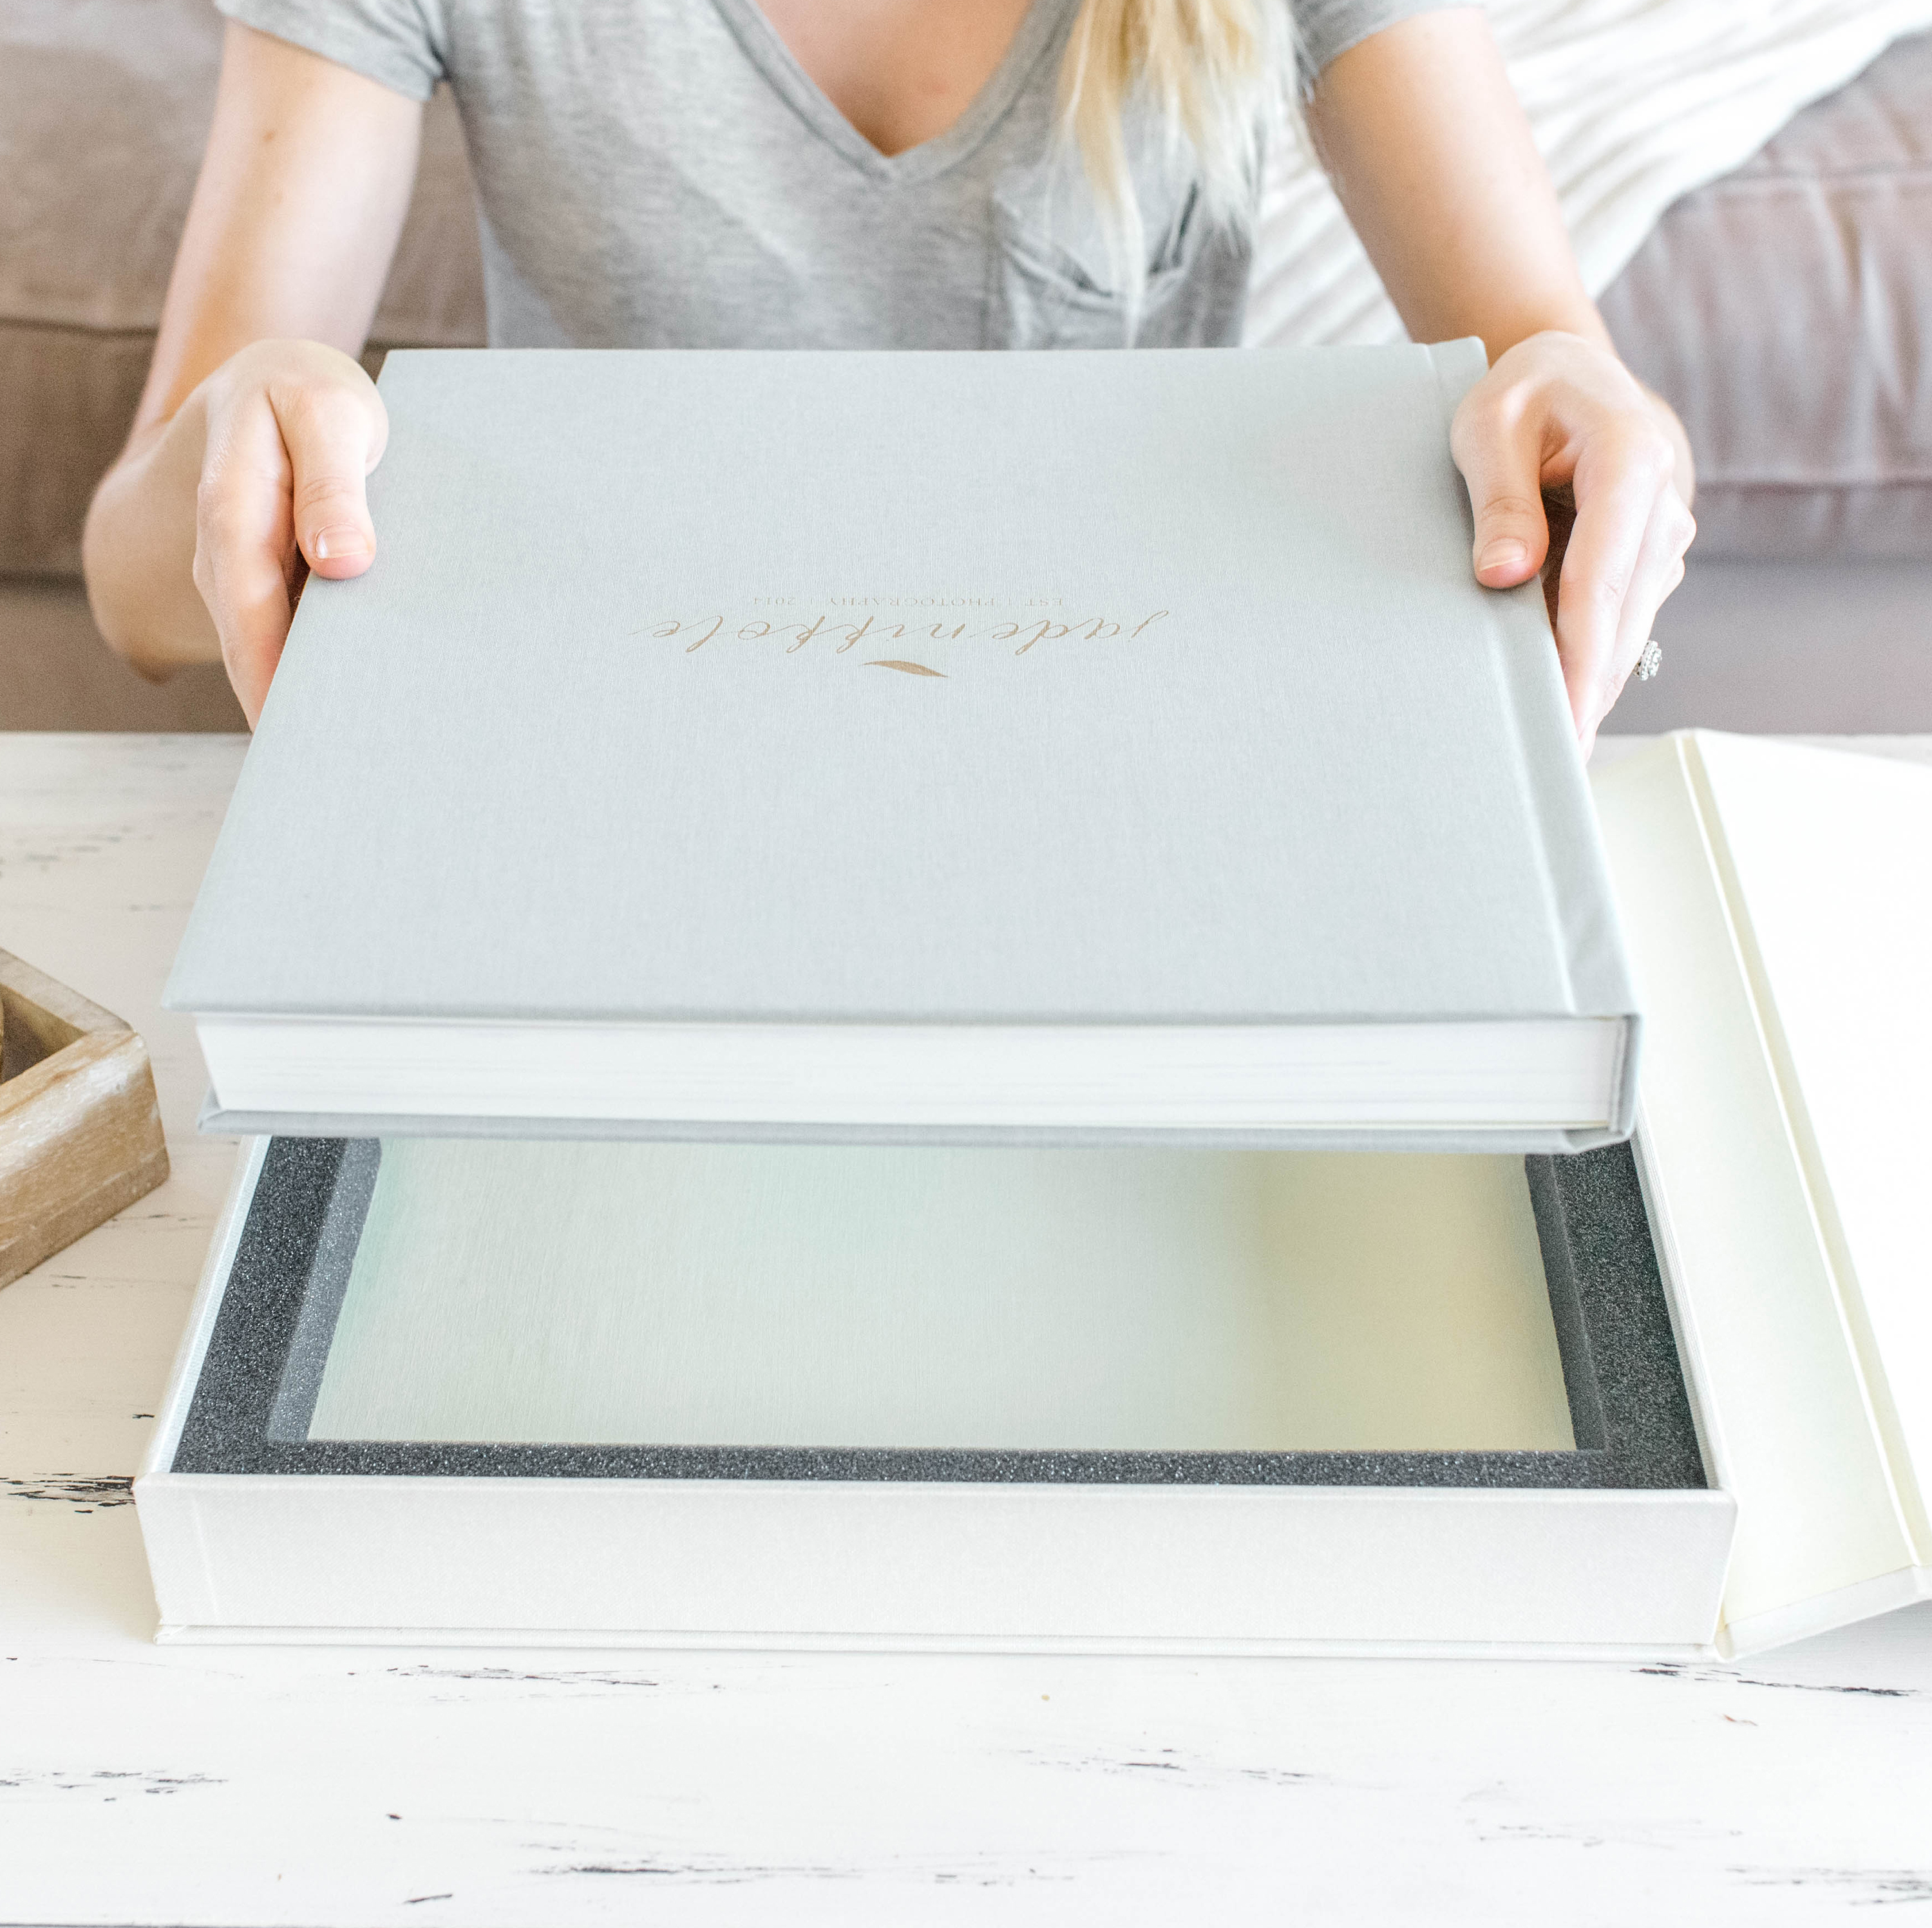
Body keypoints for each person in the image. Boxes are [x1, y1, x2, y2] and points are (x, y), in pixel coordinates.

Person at [83, 0, 1694, 749]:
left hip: (1124, 741)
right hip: (626, 745)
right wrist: (250, 419)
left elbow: (1547, 368)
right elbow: (142, 598)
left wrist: (1589, 423)